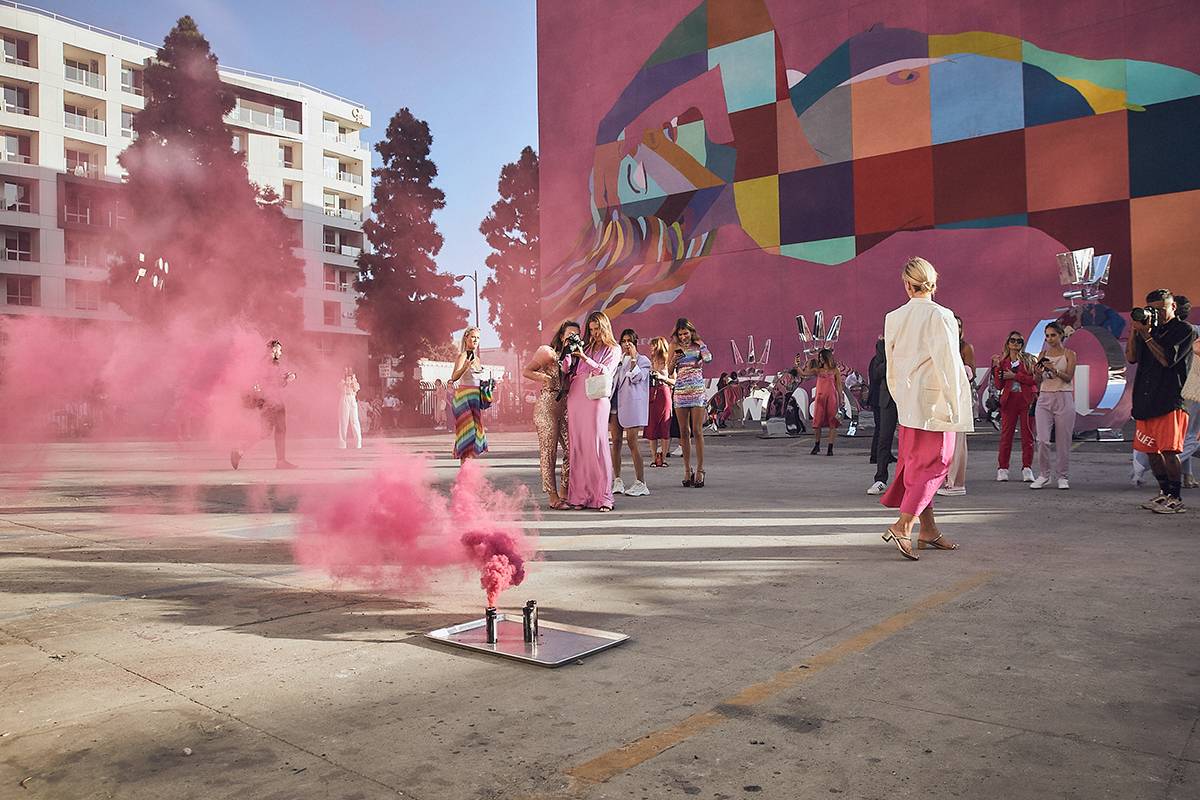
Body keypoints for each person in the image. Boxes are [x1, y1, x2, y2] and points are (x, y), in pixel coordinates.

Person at [880, 257, 973, 560]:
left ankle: (928, 530)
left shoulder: (893, 317)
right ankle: (903, 525)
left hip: (909, 403)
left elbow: (892, 365)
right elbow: (948, 362)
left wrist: (901, 397)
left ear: (906, 284)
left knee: (916, 466)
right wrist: (956, 402)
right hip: (935, 403)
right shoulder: (941, 315)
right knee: (937, 463)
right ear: (933, 281)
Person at [1127, 289, 1196, 513]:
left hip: (1169, 400)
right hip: (1145, 400)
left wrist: (1147, 335)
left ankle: (1176, 498)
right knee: (1151, 451)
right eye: (1152, 309)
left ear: (1173, 307)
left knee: (1169, 452)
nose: (1156, 313)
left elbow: (1168, 359)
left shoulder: (1184, 330)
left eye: (1160, 309)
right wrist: (1135, 331)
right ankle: (1163, 492)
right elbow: (1131, 357)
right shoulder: (1149, 330)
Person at [565, 311, 620, 510]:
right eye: (591, 330)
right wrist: (568, 353)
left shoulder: (614, 348)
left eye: (597, 329)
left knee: (598, 445)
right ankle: (580, 496)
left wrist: (584, 358)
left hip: (596, 396)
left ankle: (604, 497)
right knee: (578, 447)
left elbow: (605, 371)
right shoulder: (585, 347)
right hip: (576, 395)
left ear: (605, 327)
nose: (595, 333)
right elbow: (569, 370)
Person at [523, 320, 576, 509]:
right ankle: (552, 497)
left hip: (565, 407)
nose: (572, 338)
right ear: (562, 336)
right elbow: (527, 371)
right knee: (549, 452)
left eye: (576, 335)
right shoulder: (547, 352)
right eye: (569, 334)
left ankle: (564, 490)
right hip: (547, 407)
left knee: (572, 449)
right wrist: (543, 377)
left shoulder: (575, 357)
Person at [231, 339, 297, 470]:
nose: (281, 352)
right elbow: (272, 383)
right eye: (279, 349)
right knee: (274, 430)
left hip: (272, 401)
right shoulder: (268, 364)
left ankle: (240, 451)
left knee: (270, 431)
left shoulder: (270, 363)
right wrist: (287, 379)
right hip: (271, 401)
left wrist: (287, 377)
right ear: (273, 350)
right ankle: (279, 461)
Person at [1030, 322, 1077, 489]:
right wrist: (1038, 371)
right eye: (1047, 336)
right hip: (1044, 398)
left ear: (1060, 335)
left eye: (1053, 335)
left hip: (1063, 397)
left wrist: (1054, 370)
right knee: (1042, 439)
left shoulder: (1070, 354)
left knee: (1063, 441)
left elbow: (1069, 377)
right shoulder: (1042, 354)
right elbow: (1036, 381)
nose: (1050, 339)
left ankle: (1062, 476)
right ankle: (1044, 474)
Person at [670, 318, 713, 487]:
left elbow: (708, 359)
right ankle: (687, 470)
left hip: (696, 390)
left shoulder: (698, 345)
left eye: (685, 333)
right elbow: (669, 369)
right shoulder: (674, 346)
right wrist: (675, 359)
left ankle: (701, 469)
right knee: (683, 432)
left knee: (697, 430)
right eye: (680, 334)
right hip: (680, 390)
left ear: (691, 332)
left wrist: (701, 345)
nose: (683, 337)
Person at [991, 331, 1038, 482]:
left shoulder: (1029, 359)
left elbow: (1034, 380)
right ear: (1008, 343)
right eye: (1013, 340)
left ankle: (1027, 468)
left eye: (1019, 341)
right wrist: (997, 368)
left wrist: (1015, 376)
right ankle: (1003, 468)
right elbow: (999, 384)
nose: (1016, 343)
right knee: (1006, 436)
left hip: (1026, 400)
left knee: (1028, 436)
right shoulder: (1003, 362)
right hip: (1009, 401)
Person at [611, 328, 652, 497]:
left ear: (635, 343)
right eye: (623, 341)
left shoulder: (643, 361)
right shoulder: (618, 361)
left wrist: (634, 359)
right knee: (616, 441)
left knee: (633, 442)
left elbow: (637, 378)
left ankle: (641, 482)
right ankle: (617, 480)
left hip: (632, 407)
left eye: (630, 341)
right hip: (615, 405)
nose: (626, 344)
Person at [938, 317, 976, 496]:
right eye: (954, 325)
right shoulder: (942, 346)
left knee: (958, 441)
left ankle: (956, 482)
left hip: (959, 396)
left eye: (960, 326)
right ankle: (946, 478)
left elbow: (970, 373)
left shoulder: (965, 348)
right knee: (945, 441)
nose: (958, 329)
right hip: (943, 398)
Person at [450, 327, 488, 463]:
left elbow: (477, 379)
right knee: (467, 434)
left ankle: (468, 472)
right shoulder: (462, 356)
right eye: (473, 337)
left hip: (475, 398)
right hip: (464, 398)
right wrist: (465, 367)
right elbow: (454, 377)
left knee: (475, 436)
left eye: (477, 338)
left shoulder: (477, 359)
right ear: (466, 338)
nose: (475, 340)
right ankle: (464, 472)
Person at [867, 337, 898, 495]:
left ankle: (909, 480)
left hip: (910, 396)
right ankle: (880, 479)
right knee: (884, 438)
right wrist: (894, 359)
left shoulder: (912, 340)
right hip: (888, 398)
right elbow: (877, 372)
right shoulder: (882, 345)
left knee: (912, 440)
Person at [802, 348, 842, 456]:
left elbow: (839, 386)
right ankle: (817, 445)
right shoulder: (818, 370)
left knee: (832, 423)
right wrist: (797, 366)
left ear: (826, 357)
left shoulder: (835, 370)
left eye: (821, 357)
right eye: (819, 357)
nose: (820, 359)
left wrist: (841, 399)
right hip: (820, 398)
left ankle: (830, 448)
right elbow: (803, 374)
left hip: (832, 398)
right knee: (817, 422)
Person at [644, 336, 675, 468]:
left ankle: (664, 457)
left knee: (664, 424)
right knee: (651, 425)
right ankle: (653, 458)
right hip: (651, 393)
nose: (651, 348)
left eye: (654, 345)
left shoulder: (668, 361)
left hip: (664, 392)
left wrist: (662, 377)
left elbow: (674, 381)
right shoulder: (650, 361)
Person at [338, 366, 362, 449]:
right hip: (344, 397)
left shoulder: (354, 378)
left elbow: (357, 388)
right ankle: (342, 443)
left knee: (355, 420)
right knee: (343, 421)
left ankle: (358, 443)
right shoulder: (341, 379)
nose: (347, 371)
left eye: (348, 369)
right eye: (345, 370)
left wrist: (352, 381)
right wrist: (344, 382)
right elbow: (339, 387)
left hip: (352, 398)